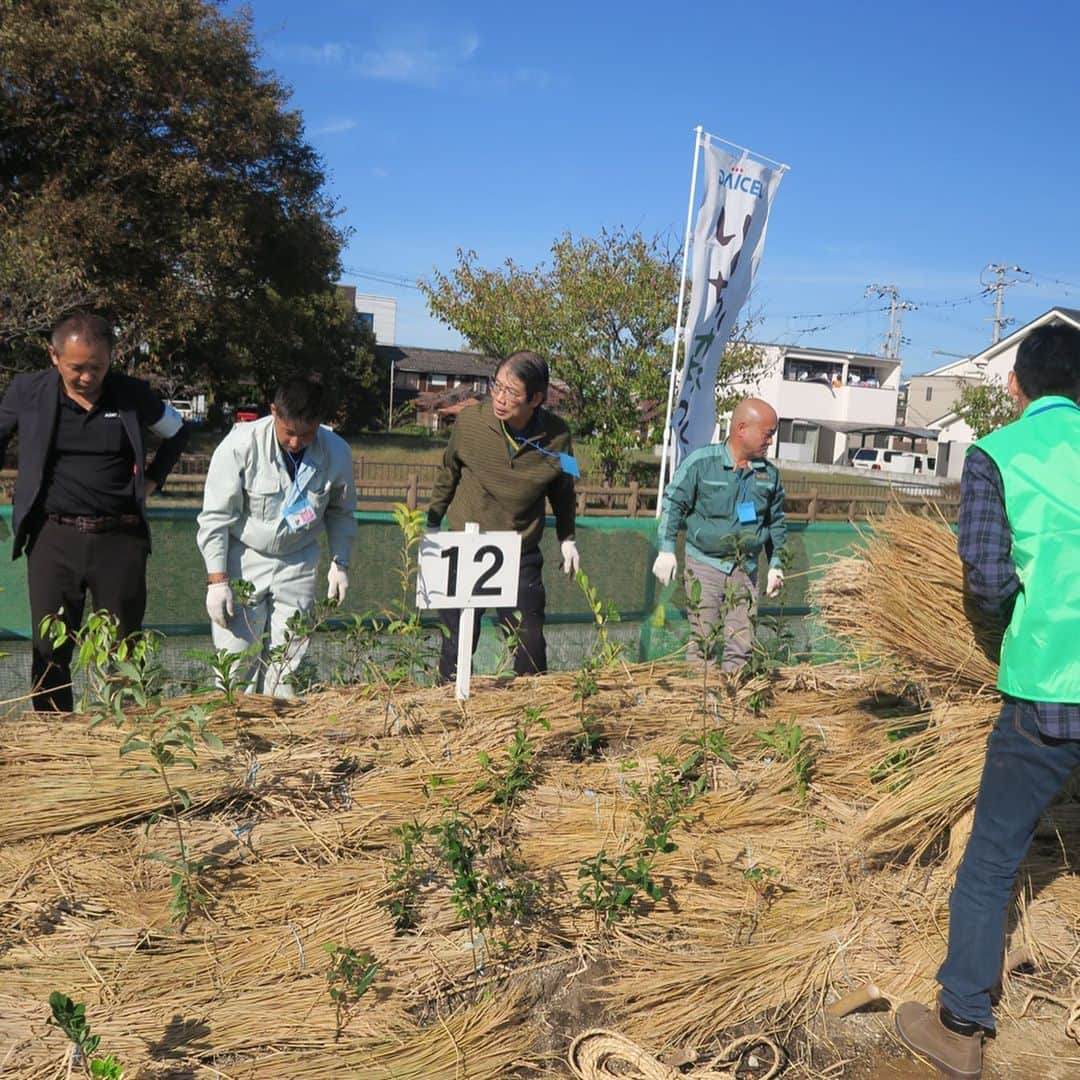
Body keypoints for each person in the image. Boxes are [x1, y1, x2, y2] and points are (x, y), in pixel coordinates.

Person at [895, 323, 1080, 1080]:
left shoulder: (998, 455)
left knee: (993, 856)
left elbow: (989, 577)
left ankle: (962, 1024)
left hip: (1050, 691)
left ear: (1016, 385)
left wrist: (1002, 632)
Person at [0, 311, 189, 710]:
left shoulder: (131, 394)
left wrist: (154, 479)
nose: (87, 377)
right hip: (53, 536)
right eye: (77, 368)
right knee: (50, 648)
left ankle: (117, 743)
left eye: (97, 367)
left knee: (123, 650)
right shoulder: (27, 393)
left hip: (120, 539)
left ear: (111, 358)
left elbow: (178, 432)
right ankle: (58, 743)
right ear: (54, 356)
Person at [196, 376, 356, 697]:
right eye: (289, 433)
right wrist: (217, 580)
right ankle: (234, 734)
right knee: (236, 660)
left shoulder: (336, 452)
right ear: (273, 412)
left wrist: (341, 562)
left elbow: (341, 511)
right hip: (245, 557)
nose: (296, 442)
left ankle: (280, 734)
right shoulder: (239, 447)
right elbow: (215, 517)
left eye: (306, 434)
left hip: (299, 560)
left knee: (286, 664)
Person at [427, 351, 579, 680]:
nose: (500, 397)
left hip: (519, 550)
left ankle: (529, 714)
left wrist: (567, 537)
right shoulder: (470, 423)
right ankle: (448, 711)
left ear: (536, 398)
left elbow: (565, 491)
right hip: (463, 547)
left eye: (511, 392)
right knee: (456, 642)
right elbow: (447, 473)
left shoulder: (560, 438)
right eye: (497, 386)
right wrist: (431, 522)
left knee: (530, 643)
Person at [653, 397, 786, 671]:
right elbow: (674, 502)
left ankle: (732, 704)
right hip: (705, 565)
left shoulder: (769, 475)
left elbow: (776, 523)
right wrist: (666, 549)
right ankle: (700, 704)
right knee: (703, 641)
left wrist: (776, 564)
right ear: (741, 429)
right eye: (767, 434)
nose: (770, 441)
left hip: (745, 568)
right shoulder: (702, 463)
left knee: (742, 644)